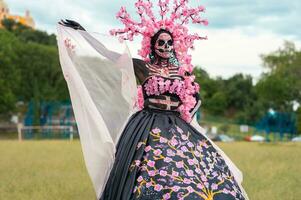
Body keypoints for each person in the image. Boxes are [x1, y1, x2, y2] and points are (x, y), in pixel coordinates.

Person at [57, 1, 249, 200]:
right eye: (161, 43)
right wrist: (84, 33)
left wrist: (190, 115)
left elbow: (194, 98)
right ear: (153, 45)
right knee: (154, 167)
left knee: (191, 170)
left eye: (169, 43)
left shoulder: (181, 71)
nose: (166, 47)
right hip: (148, 124)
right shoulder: (143, 67)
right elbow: (108, 56)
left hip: (177, 124)